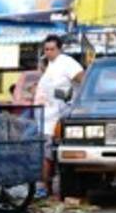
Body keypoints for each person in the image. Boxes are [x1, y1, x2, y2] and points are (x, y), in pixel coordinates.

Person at [34, 35, 84, 200]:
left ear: (59, 49)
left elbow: (83, 80)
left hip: (56, 118)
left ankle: (45, 188)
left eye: (51, 49)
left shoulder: (67, 62)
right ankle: (46, 188)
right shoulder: (49, 65)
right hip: (44, 117)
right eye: (46, 49)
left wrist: (71, 99)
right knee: (45, 154)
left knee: (47, 155)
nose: (48, 52)